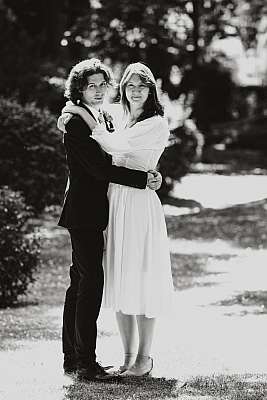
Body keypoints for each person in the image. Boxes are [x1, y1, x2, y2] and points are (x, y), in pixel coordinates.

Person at [60, 62, 174, 377]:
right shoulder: (91, 118)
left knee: (95, 281)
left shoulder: (119, 118)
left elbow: (117, 145)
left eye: (102, 85)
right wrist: (73, 112)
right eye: (91, 86)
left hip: (123, 206)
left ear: (152, 90)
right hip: (95, 209)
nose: (98, 91)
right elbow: (101, 165)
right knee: (90, 282)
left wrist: (149, 176)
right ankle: (82, 360)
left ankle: (92, 358)